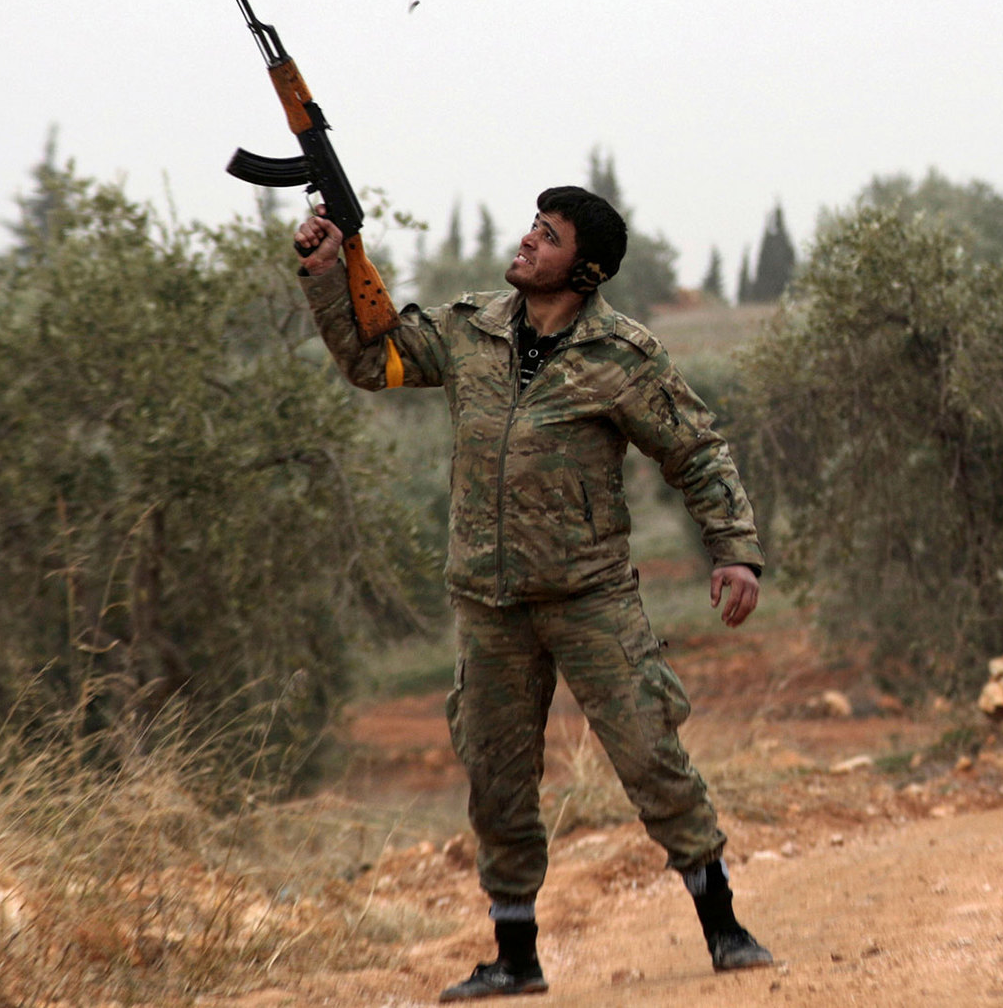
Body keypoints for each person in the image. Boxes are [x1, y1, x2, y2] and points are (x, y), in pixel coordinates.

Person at [295, 187, 776, 997]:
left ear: (583, 270)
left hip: (591, 597)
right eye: (531, 227)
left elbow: (696, 450)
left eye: (546, 238)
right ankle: (515, 958)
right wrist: (325, 268)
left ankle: (724, 928)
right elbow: (371, 359)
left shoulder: (623, 357)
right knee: (497, 778)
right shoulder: (469, 328)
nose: (525, 243)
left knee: (651, 756)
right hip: (487, 603)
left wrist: (734, 550)